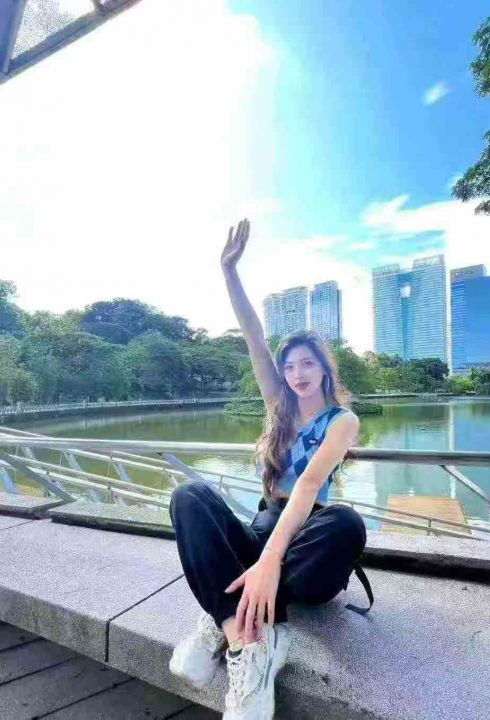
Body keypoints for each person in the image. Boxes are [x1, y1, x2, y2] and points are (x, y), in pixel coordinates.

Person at [168, 219, 372, 720]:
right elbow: (254, 337)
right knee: (189, 497)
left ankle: (226, 608)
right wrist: (229, 272)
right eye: (290, 366)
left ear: (324, 369)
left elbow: (308, 484)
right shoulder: (278, 406)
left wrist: (269, 562)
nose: (297, 374)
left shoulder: (342, 421)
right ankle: (246, 636)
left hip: (308, 538)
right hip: (265, 524)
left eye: (307, 364)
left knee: (347, 524)